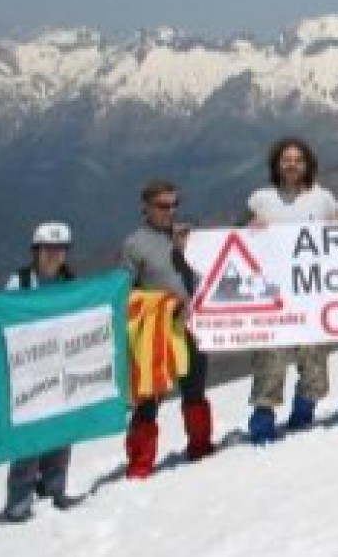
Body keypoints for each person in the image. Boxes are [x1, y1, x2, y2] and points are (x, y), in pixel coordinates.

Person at [245, 137, 338, 442]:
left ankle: (303, 415)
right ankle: (262, 422)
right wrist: (250, 230)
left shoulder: (323, 199)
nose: (292, 165)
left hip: (312, 295)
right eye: (286, 160)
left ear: (307, 164)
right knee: (270, 361)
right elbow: (238, 238)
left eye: (298, 160)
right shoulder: (260, 199)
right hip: (272, 295)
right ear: (276, 164)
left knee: (314, 363)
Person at [120, 179, 214, 477]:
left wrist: (188, 252)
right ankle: (140, 463)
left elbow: (211, 270)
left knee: (195, 390)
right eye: (163, 205)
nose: (170, 211)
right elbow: (125, 294)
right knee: (148, 399)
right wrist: (164, 304)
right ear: (146, 207)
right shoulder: (134, 245)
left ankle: (200, 447)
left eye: (175, 205)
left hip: (190, 326)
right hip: (154, 332)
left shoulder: (187, 236)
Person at [0, 222, 82, 522]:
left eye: (60, 249)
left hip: (61, 370)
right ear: (36, 251)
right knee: (29, 439)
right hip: (29, 375)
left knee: (61, 433)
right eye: (49, 249)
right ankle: (19, 502)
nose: (55, 255)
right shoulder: (19, 282)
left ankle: (53, 490)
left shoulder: (71, 281)